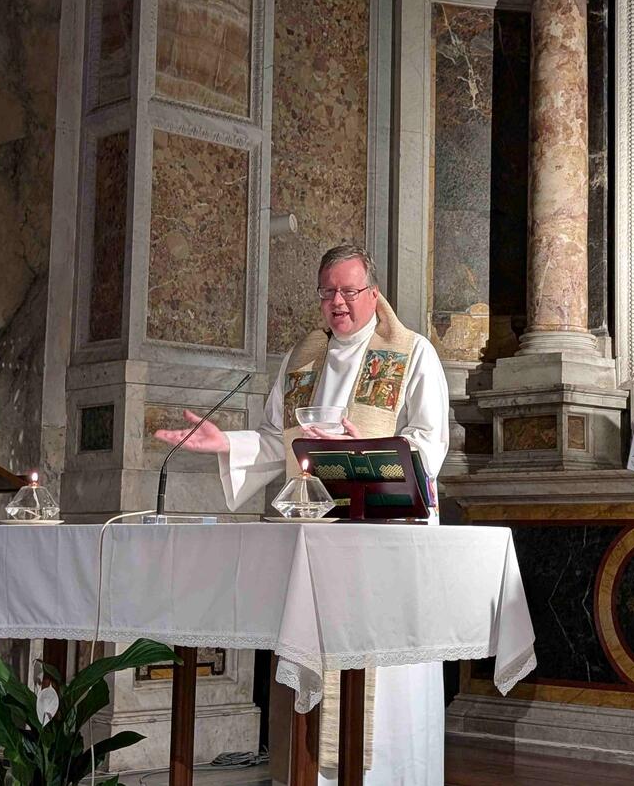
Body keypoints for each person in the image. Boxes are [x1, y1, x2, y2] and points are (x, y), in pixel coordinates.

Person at [155, 243, 450, 786]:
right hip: (313, 539)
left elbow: (430, 442)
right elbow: (278, 441)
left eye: (349, 291)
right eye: (328, 292)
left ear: (373, 294)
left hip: (380, 541)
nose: (338, 302)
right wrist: (226, 443)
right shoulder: (303, 358)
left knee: (379, 686)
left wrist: (372, 447)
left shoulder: (411, 353)